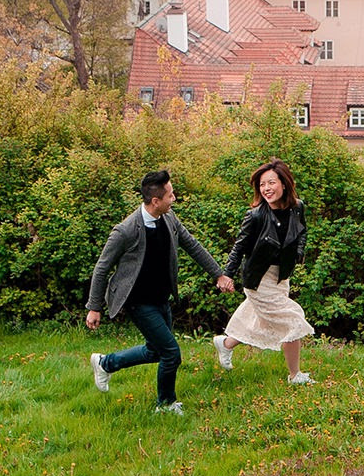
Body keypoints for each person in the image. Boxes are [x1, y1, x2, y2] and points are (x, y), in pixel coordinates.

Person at [85, 169, 234, 415]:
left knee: (156, 351)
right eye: (171, 195)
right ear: (156, 201)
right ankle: (165, 404)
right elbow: (102, 268)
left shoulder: (169, 219)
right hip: (138, 301)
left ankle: (105, 363)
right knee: (171, 353)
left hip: (160, 297)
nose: (174, 199)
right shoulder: (126, 230)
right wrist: (94, 307)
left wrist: (218, 274)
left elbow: (192, 246)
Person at [211, 157, 317, 385]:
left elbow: (302, 231)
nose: (266, 189)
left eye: (271, 183)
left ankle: (225, 344)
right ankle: (295, 375)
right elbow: (239, 247)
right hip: (259, 279)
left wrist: (299, 252)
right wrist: (227, 274)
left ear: (284, 183)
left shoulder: (297, 208)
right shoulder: (256, 215)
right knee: (292, 320)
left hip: (282, 276)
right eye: (262, 185)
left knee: (259, 319)